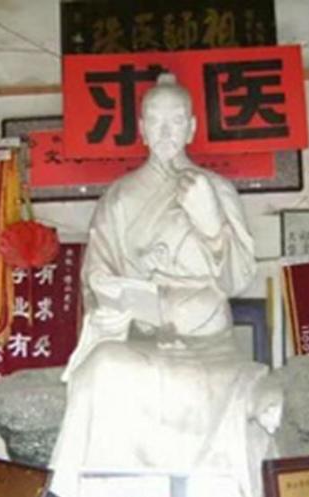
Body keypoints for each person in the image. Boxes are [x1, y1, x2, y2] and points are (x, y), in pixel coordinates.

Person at [48, 73, 270, 497]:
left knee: (210, 382)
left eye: (177, 120)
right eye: (156, 120)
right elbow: (97, 276)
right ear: (142, 129)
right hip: (142, 336)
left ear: (192, 127)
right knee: (102, 368)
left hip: (206, 339)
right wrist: (111, 305)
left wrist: (210, 225)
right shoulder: (119, 197)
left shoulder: (214, 188)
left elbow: (239, 278)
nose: (166, 131)